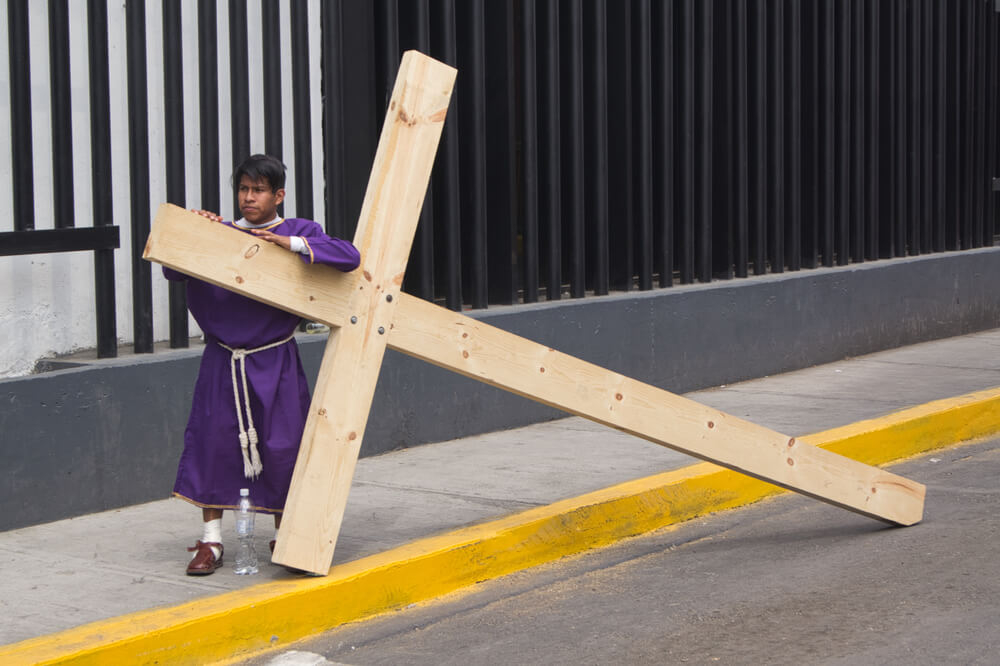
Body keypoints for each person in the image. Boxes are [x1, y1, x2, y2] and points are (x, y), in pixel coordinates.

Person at [164, 154, 360, 575]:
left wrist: (288, 246)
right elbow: (171, 270)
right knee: (213, 444)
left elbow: (349, 257)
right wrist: (198, 233)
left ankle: (286, 533)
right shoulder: (220, 233)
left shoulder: (299, 232)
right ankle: (212, 542)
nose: (248, 198)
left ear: (278, 195)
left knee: (283, 445)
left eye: (258, 190)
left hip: (275, 357)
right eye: (243, 189)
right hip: (223, 358)